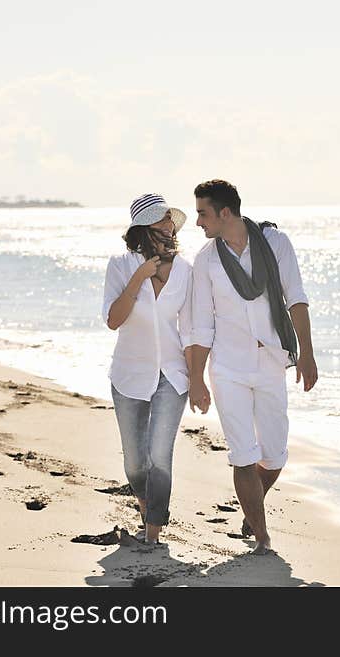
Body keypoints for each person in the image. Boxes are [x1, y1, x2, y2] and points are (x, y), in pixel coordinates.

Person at [188, 179, 318, 555]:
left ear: (224, 212)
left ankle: (252, 506)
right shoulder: (206, 260)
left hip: (271, 361)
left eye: (203, 213)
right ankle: (262, 538)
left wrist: (306, 354)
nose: (198, 222)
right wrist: (197, 379)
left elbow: (296, 299)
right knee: (243, 453)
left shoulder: (275, 243)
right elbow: (201, 324)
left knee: (274, 455)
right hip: (228, 367)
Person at [102, 193, 192, 545]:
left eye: (170, 221)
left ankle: (153, 532)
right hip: (128, 375)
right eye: (161, 222)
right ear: (143, 230)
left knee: (159, 457)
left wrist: (198, 378)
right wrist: (139, 276)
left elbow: (194, 328)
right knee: (136, 464)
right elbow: (113, 320)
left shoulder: (186, 271)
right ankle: (146, 509)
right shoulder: (120, 266)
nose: (169, 228)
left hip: (172, 375)